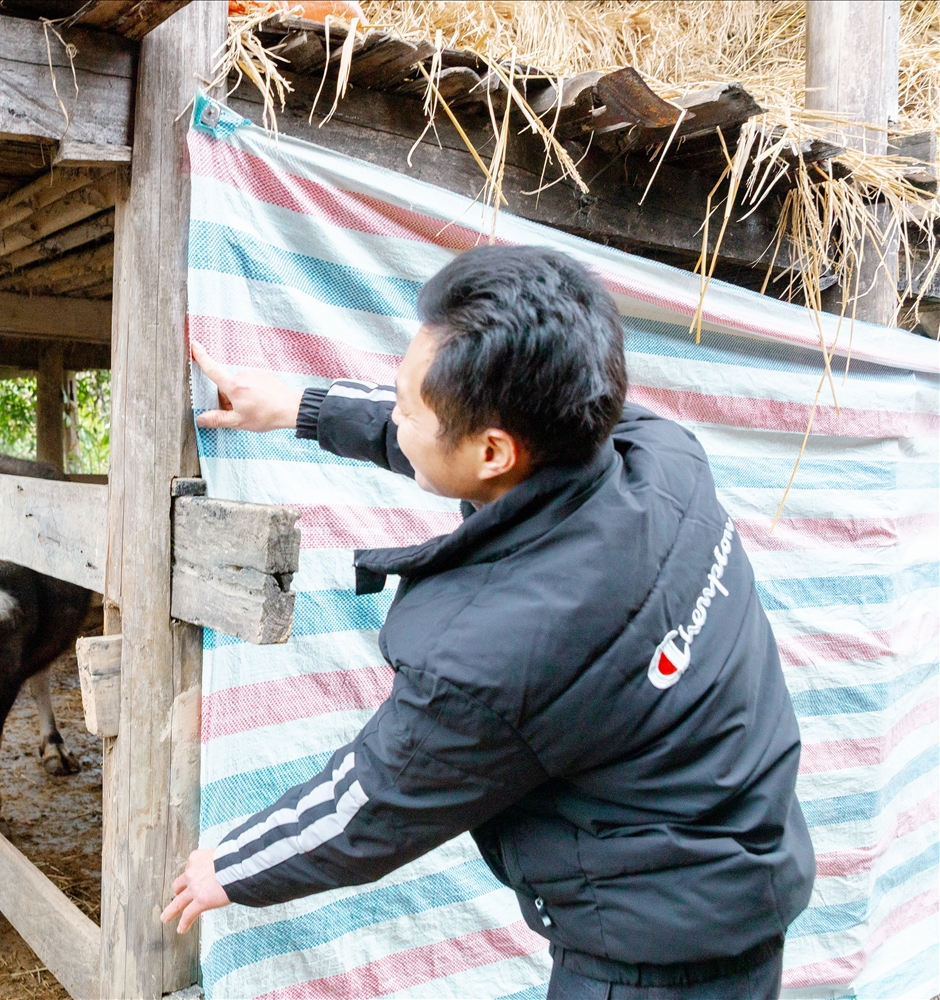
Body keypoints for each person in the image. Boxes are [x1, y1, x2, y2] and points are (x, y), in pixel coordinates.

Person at [162, 245, 814, 999]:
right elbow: (462, 442)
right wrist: (299, 408)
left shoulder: (499, 656)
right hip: (744, 886)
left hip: (646, 963)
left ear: (494, 451)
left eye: (407, 406)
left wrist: (230, 865)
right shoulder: (659, 455)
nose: (397, 414)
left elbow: (370, 803)